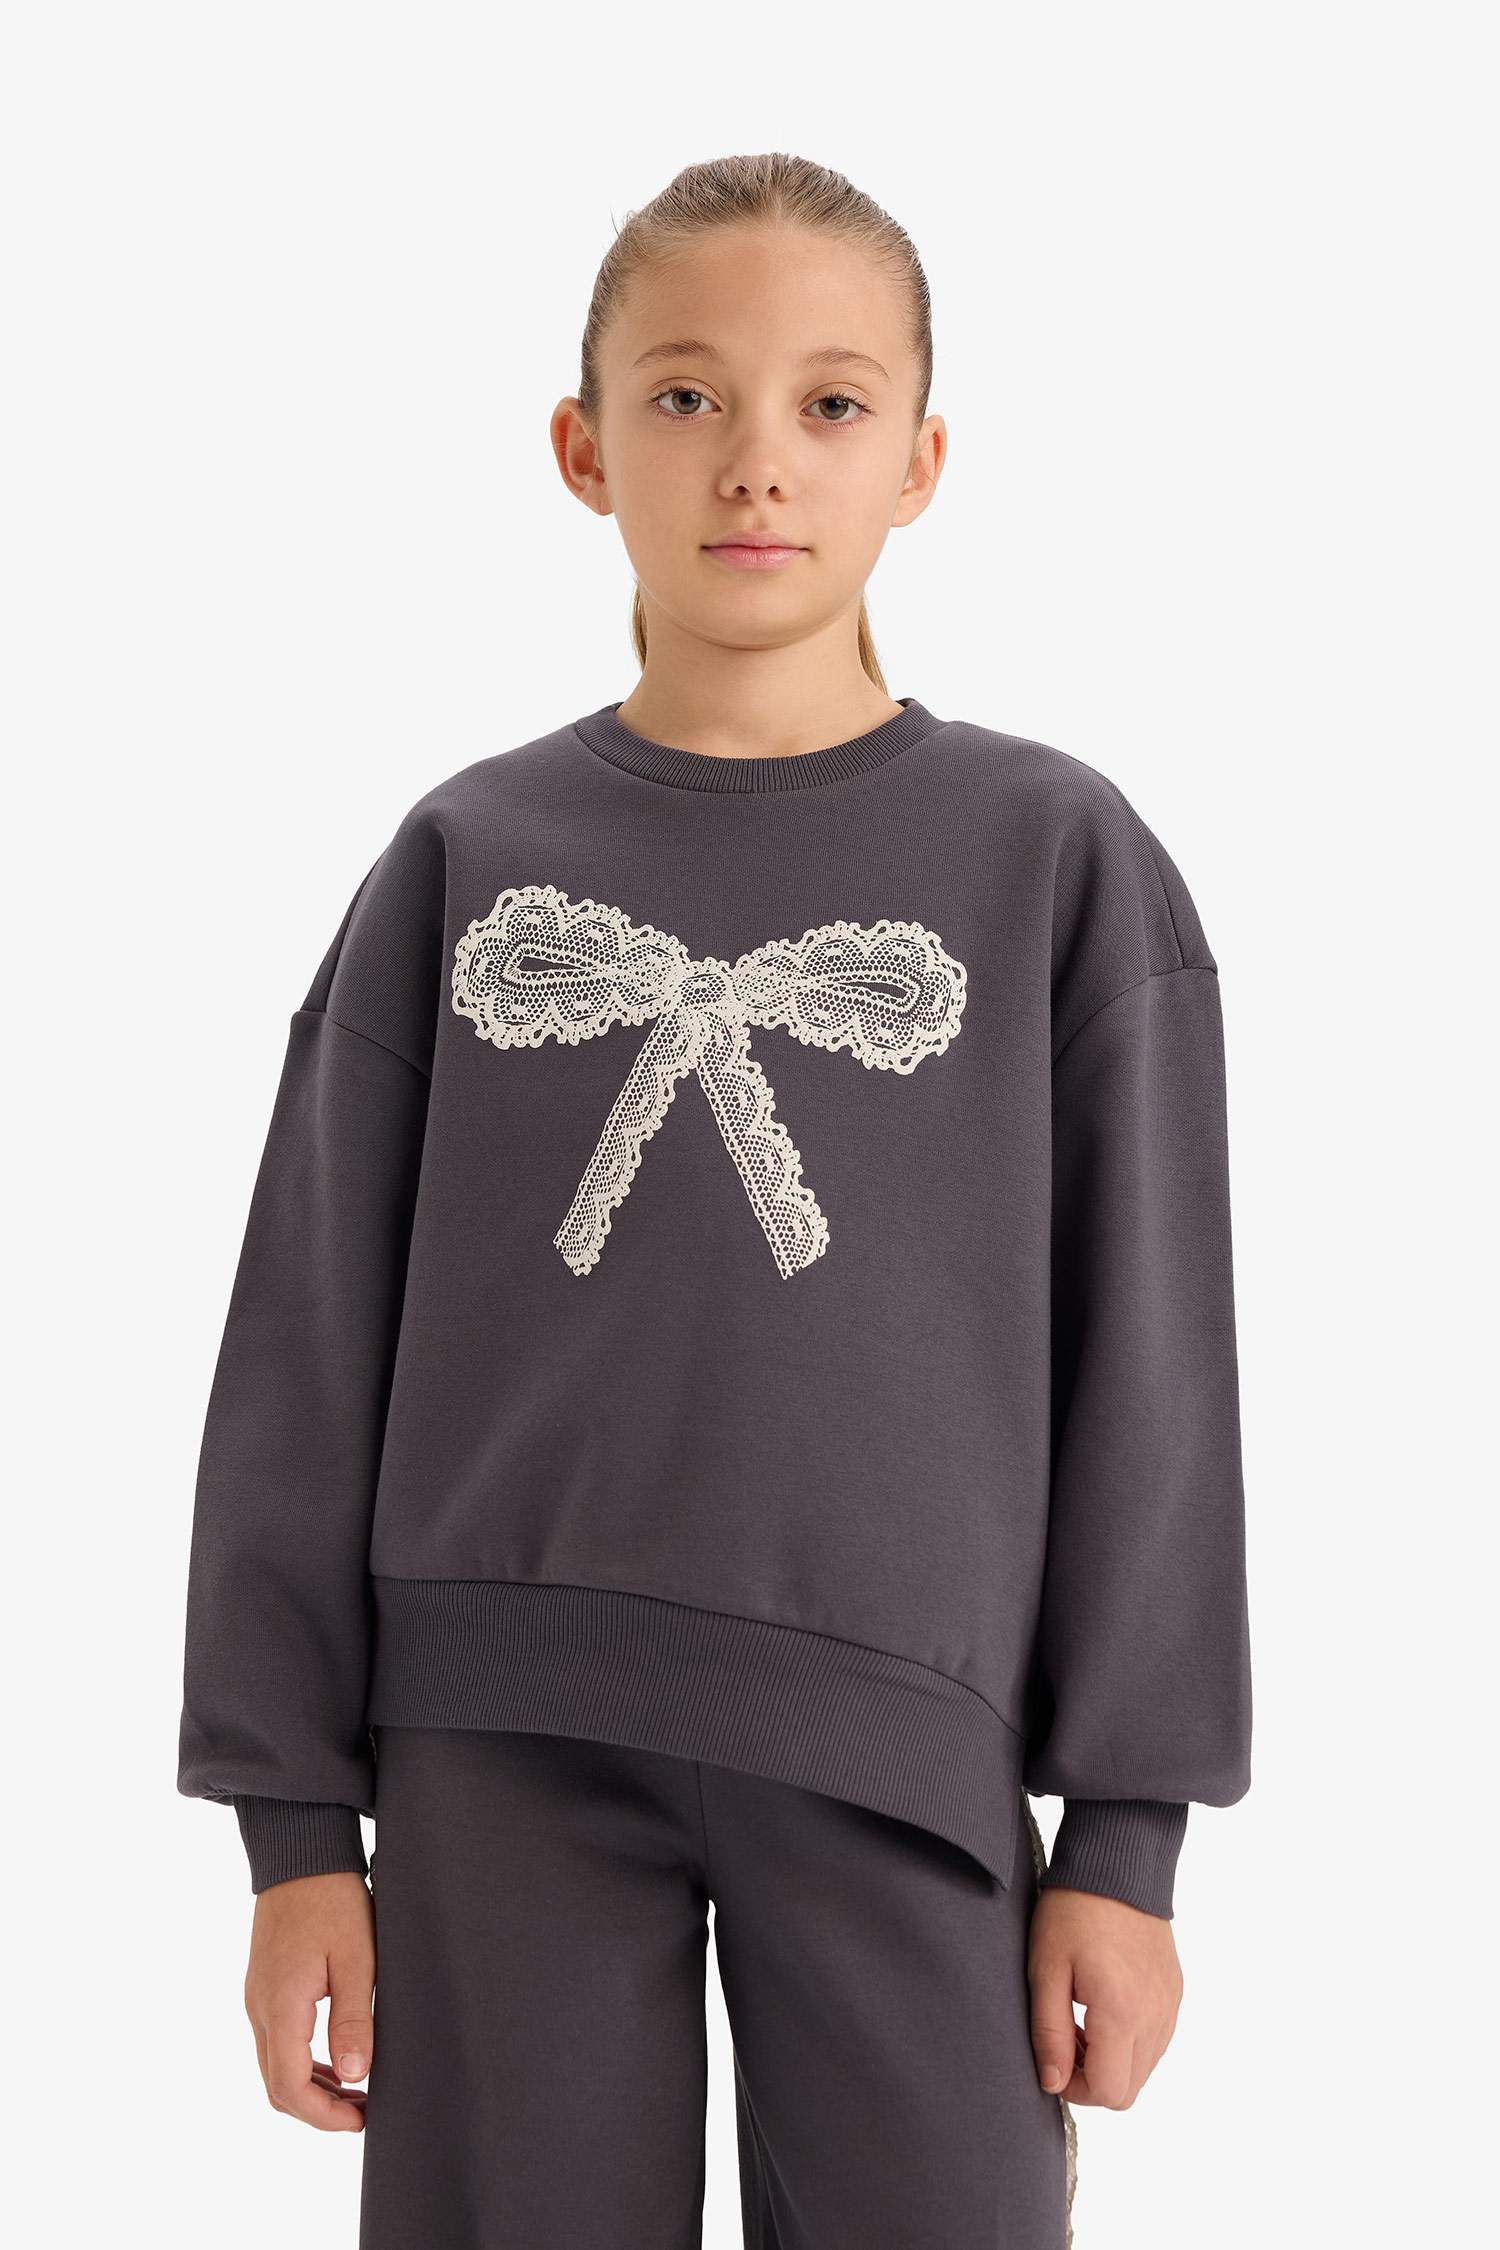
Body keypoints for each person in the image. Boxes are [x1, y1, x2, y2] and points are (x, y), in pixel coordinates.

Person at [177, 151, 1252, 2249]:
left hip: (905, 1749)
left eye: (831, 404)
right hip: (495, 1741)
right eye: (685, 396)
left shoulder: (1055, 858)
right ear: (583, 449)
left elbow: (1154, 1366)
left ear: (921, 462)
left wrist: (1127, 1837)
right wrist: (292, 1826)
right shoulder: (465, 857)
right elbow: (303, 1346)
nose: (757, 459)